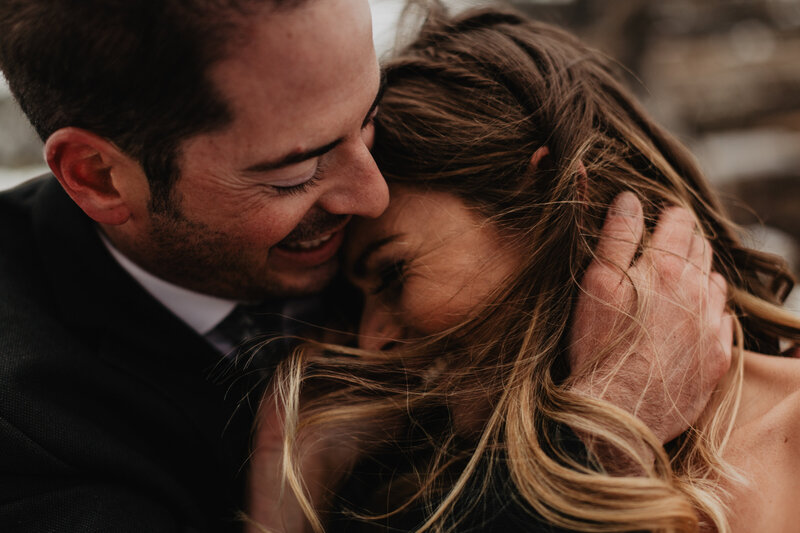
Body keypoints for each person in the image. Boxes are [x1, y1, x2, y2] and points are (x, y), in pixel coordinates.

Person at [0, 0, 729, 531]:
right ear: (98, 176)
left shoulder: (431, 224)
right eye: (295, 172)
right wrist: (597, 442)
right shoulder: (24, 423)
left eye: (367, 118)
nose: (371, 194)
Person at [255, 6, 800, 533]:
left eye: (394, 273)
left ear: (554, 203)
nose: (370, 342)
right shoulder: (415, 497)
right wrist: (294, 485)